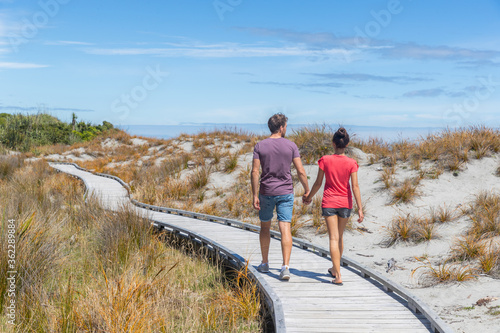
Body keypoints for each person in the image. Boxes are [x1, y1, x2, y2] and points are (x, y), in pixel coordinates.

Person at [251, 113, 310, 280]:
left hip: (266, 192)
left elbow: (255, 171)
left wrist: (254, 194)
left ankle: (264, 263)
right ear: (282, 127)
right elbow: (300, 171)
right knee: (285, 228)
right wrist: (307, 190)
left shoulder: (260, 146)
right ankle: (285, 267)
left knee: (265, 227)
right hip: (285, 192)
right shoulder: (291, 146)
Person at [303, 127, 364, 285]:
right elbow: (355, 186)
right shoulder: (352, 163)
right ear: (347, 144)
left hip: (329, 202)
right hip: (345, 203)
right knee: (340, 237)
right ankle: (335, 268)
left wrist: (308, 197)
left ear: (333, 144)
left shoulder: (325, 160)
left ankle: (338, 276)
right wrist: (360, 209)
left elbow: (318, 183)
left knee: (333, 237)